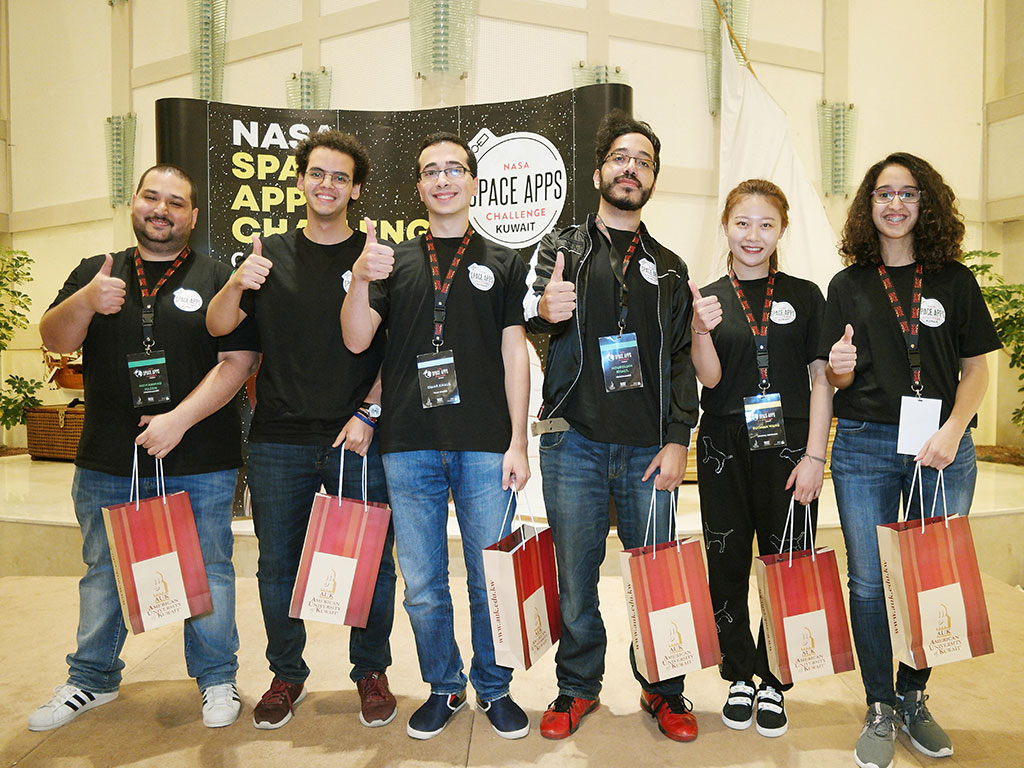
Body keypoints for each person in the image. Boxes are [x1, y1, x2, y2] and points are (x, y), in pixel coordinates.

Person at [29, 165, 260, 731]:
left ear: (193, 216)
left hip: (200, 453)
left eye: (175, 202)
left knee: (210, 568)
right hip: (109, 455)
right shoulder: (97, 270)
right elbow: (56, 339)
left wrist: (178, 421)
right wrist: (87, 300)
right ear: (133, 203)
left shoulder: (219, 276)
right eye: (151, 198)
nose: (161, 210)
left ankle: (216, 678)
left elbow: (239, 362)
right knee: (102, 569)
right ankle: (91, 678)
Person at [341, 131, 532, 740]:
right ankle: (444, 686)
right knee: (423, 584)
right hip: (408, 444)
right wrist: (359, 278)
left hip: (485, 444)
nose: (442, 179)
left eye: (454, 169)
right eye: (431, 171)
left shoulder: (504, 260)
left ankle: (494, 688)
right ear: (419, 185)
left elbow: (514, 353)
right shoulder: (392, 261)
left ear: (473, 182)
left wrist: (519, 442)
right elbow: (356, 338)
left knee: (488, 578)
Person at [205, 129, 398, 730]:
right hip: (278, 439)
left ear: (356, 189)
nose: (327, 184)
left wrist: (368, 411)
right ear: (300, 181)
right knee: (277, 566)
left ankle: (371, 670)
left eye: (340, 176)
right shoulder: (269, 256)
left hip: (357, 437)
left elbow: (399, 352)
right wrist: (237, 281)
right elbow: (218, 328)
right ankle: (286, 673)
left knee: (371, 563)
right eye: (317, 173)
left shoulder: (376, 258)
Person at [821, 152, 1001, 768]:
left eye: (907, 193)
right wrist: (839, 370)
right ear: (868, 206)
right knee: (869, 582)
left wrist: (953, 430)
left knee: (930, 579)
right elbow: (836, 378)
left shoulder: (954, 280)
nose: (894, 203)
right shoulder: (847, 284)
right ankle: (879, 703)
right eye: (883, 193)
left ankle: (913, 696)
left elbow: (976, 370)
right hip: (865, 445)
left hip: (942, 448)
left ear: (926, 204)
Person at [525, 110, 699, 742]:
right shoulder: (561, 248)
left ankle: (664, 688)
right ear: (599, 172)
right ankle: (578, 687)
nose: (632, 169)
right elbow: (526, 315)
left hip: (649, 447)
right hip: (573, 442)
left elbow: (681, 358)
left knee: (657, 574)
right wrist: (543, 309)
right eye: (621, 158)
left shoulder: (670, 266)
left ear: (652, 179)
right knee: (575, 578)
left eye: (644, 162)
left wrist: (678, 439)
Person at [689, 179, 831, 739]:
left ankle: (774, 678)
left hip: (790, 445)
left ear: (781, 230)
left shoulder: (806, 294)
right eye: (742, 223)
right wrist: (699, 329)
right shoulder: (708, 296)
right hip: (723, 442)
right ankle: (739, 674)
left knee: (787, 559)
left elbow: (821, 379)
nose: (753, 235)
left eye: (766, 224)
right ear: (725, 226)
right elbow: (710, 379)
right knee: (725, 562)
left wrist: (816, 455)